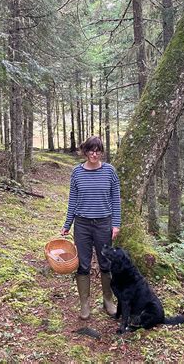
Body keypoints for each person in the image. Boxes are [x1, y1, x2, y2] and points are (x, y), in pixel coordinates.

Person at [61, 136, 121, 320]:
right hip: (82, 224)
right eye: (90, 150)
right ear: (85, 151)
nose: (94, 154)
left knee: (105, 263)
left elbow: (115, 199)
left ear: (101, 152)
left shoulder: (110, 171)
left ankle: (108, 299)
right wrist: (67, 224)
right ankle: (84, 303)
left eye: (98, 151)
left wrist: (116, 224)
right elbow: (73, 200)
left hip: (104, 223)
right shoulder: (77, 172)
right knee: (83, 264)